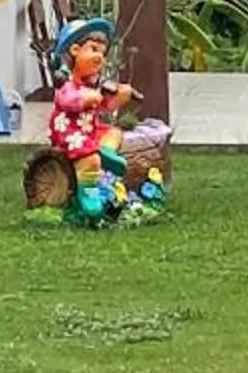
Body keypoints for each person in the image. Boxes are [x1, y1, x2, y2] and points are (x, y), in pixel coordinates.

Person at [47, 16, 166, 223]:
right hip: (70, 133)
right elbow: (66, 101)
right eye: (93, 49)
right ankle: (89, 192)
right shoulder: (67, 83)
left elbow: (104, 106)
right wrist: (87, 97)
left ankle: (106, 151)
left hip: (89, 130)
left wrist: (119, 97)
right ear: (75, 50)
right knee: (90, 159)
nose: (100, 57)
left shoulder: (93, 84)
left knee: (115, 132)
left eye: (102, 53)